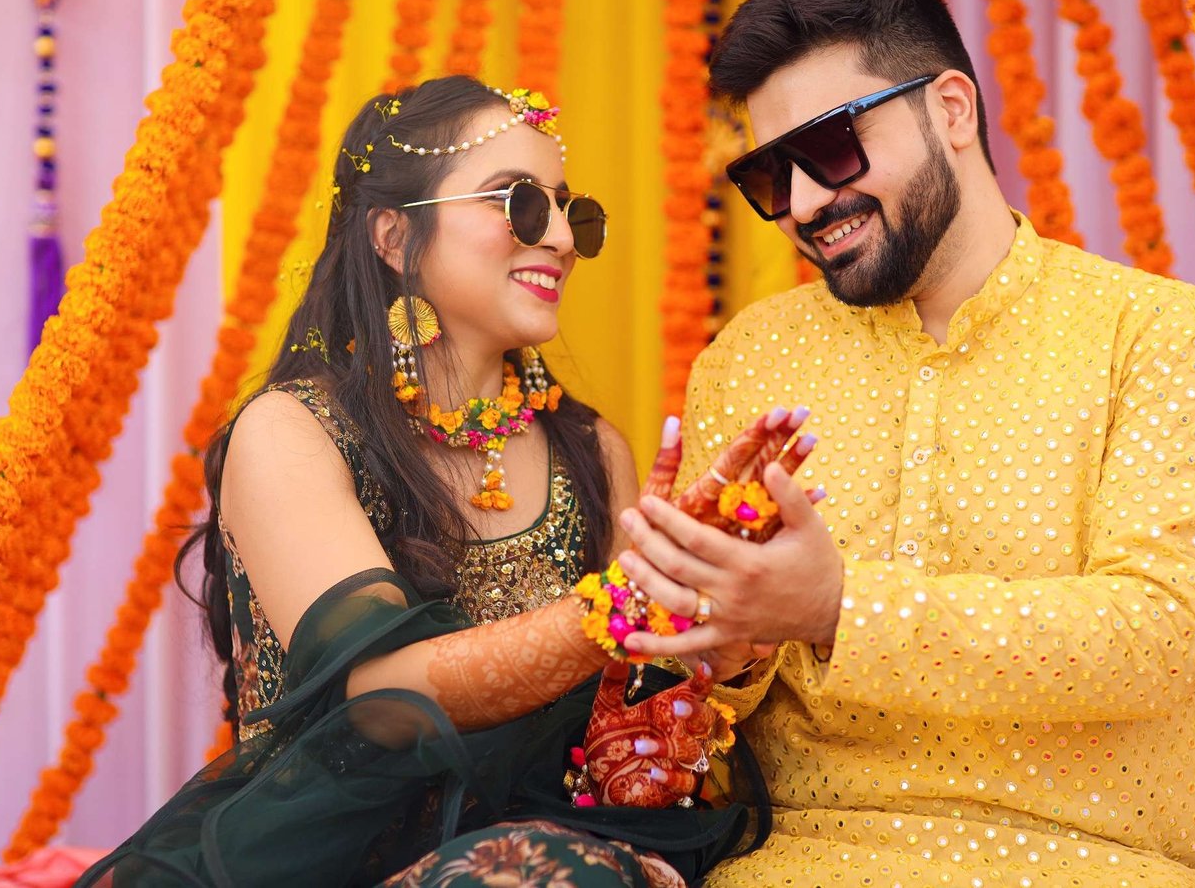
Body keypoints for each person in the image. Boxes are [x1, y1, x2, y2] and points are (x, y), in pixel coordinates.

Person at [615, 0, 1195, 887]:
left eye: (830, 147)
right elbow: (717, 697)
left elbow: (1160, 634)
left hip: (1103, 859)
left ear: (952, 109)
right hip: (801, 861)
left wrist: (841, 606)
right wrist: (722, 644)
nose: (804, 203)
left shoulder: (1161, 336)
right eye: (770, 176)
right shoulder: (749, 358)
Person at [78, 77, 813, 887]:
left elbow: (618, 722)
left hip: (556, 851)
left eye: (572, 211)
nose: (561, 238)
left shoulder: (593, 452)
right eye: (518, 203)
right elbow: (382, 697)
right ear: (395, 238)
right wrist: (616, 608)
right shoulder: (293, 432)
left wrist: (713, 643)